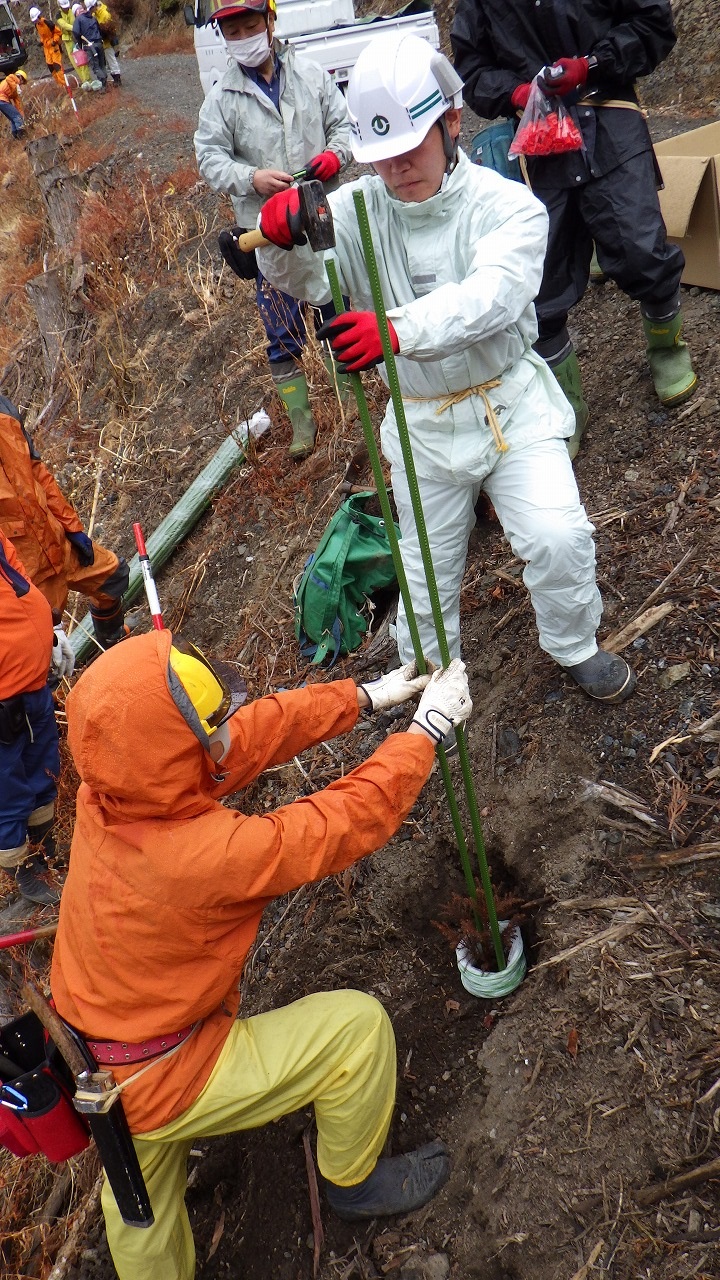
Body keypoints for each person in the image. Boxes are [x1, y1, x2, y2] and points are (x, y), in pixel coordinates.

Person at [50, 628, 472, 1279]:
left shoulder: (108, 793)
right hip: (171, 1065)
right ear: (173, 751)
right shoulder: (203, 857)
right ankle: (353, 1183)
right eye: (206, 727)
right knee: (357, 1032)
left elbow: (242, 740)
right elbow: (333, 826)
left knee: (139, 1204)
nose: (225, 730)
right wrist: (424, 734)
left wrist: (364, 695)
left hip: (94, 1064)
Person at [258, 34, 637, 704]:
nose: (398, 167)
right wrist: (279, 239)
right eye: (382, 156)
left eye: (412, 147)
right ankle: (431, 677)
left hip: (510, 403)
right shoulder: (358, 210)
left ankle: (575, 643)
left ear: (451, 122)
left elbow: (492, 297)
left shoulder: (507, 207)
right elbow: (307, 277)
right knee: (424, 567)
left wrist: (395, 330)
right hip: (421, 420)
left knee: (557, 535)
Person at [451, 0, 697, 458]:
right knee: (539, 285)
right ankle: (565, 405)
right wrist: (517, 93)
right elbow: (471, 69)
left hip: (610, 114)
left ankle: (667, 350)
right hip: (536, 142)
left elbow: (653, 23)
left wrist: (592, 64)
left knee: (641, 249)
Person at [194, 0, 352, 461]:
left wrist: (335, 156)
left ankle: (351, 403)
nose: (243, 37)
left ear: (269, 21)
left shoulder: (310, 75)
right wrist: (251, 178)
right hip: (266, 232)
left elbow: (343, 125)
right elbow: (209, 158)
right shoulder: (221, 100)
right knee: (281, 329)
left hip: (320, 215)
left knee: (335, 307)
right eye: (232, 32)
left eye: (250, 25)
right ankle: (303, 424)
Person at [0, 395, 129, 649]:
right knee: (49, 651)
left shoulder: (5, 410)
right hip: (27, 571)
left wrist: (72, 528)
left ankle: (112, 640)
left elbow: (38, 473)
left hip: (58, 541)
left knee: (113, 577)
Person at [0, 527, 74, 905]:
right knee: (7, 794)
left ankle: (46, 848)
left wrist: (50, 628)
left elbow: (18, 578)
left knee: (44, 772)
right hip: (3, 705)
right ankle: (24, 870)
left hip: (33, 687)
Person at [55, 0, 95, 90]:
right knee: (75, 62)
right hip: (68, 41)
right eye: (64, 7)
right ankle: (85, 82)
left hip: (77, 38)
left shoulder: (72, 11)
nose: (66, 8)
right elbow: (63, 25)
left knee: (82, 60)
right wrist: (75, 28)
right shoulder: (58, 15)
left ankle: (88, 80)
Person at [71, 0, 107, 89]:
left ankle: (103, 85)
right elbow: (99, 29)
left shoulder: (79, 19)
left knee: (96, 67)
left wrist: (80, 44)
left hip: (90, 46)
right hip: (99, 43)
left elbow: (75, 32)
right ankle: (105, 84)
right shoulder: (92, 17)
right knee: (102, 64)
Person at [85, 0, 121, 86]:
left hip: (107, 42)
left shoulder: (105, 14)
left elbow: (111, 30)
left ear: (94, 6)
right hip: (100, 42)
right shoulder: (95, 15)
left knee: (111, 59)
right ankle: (112, 78)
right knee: (106, 62)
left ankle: (117, 78)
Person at [29, 6, 66, 89]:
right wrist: (41, 42)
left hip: (54, 47)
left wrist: (54, 41)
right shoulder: (37, 25)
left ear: (38, 16)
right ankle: (60, 86)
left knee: (57, 67)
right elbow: (43, 37)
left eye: (36, 20)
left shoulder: (48, 23)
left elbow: (58, 32)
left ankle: (65, 86)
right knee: (51, 68)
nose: (35, 21)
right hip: (47, 49)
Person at [0, 68, 27, 139]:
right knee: (16, 117)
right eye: (23, 81)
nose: (21, 84)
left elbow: (18, 104)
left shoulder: (15, 90)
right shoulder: (12, 78)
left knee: (14, 118)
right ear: (20, 77)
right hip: (2, 100)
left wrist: (22, 116)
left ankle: (15, 136)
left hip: (3, 101)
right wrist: (16, 86)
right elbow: (8, 78)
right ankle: (22, 135)